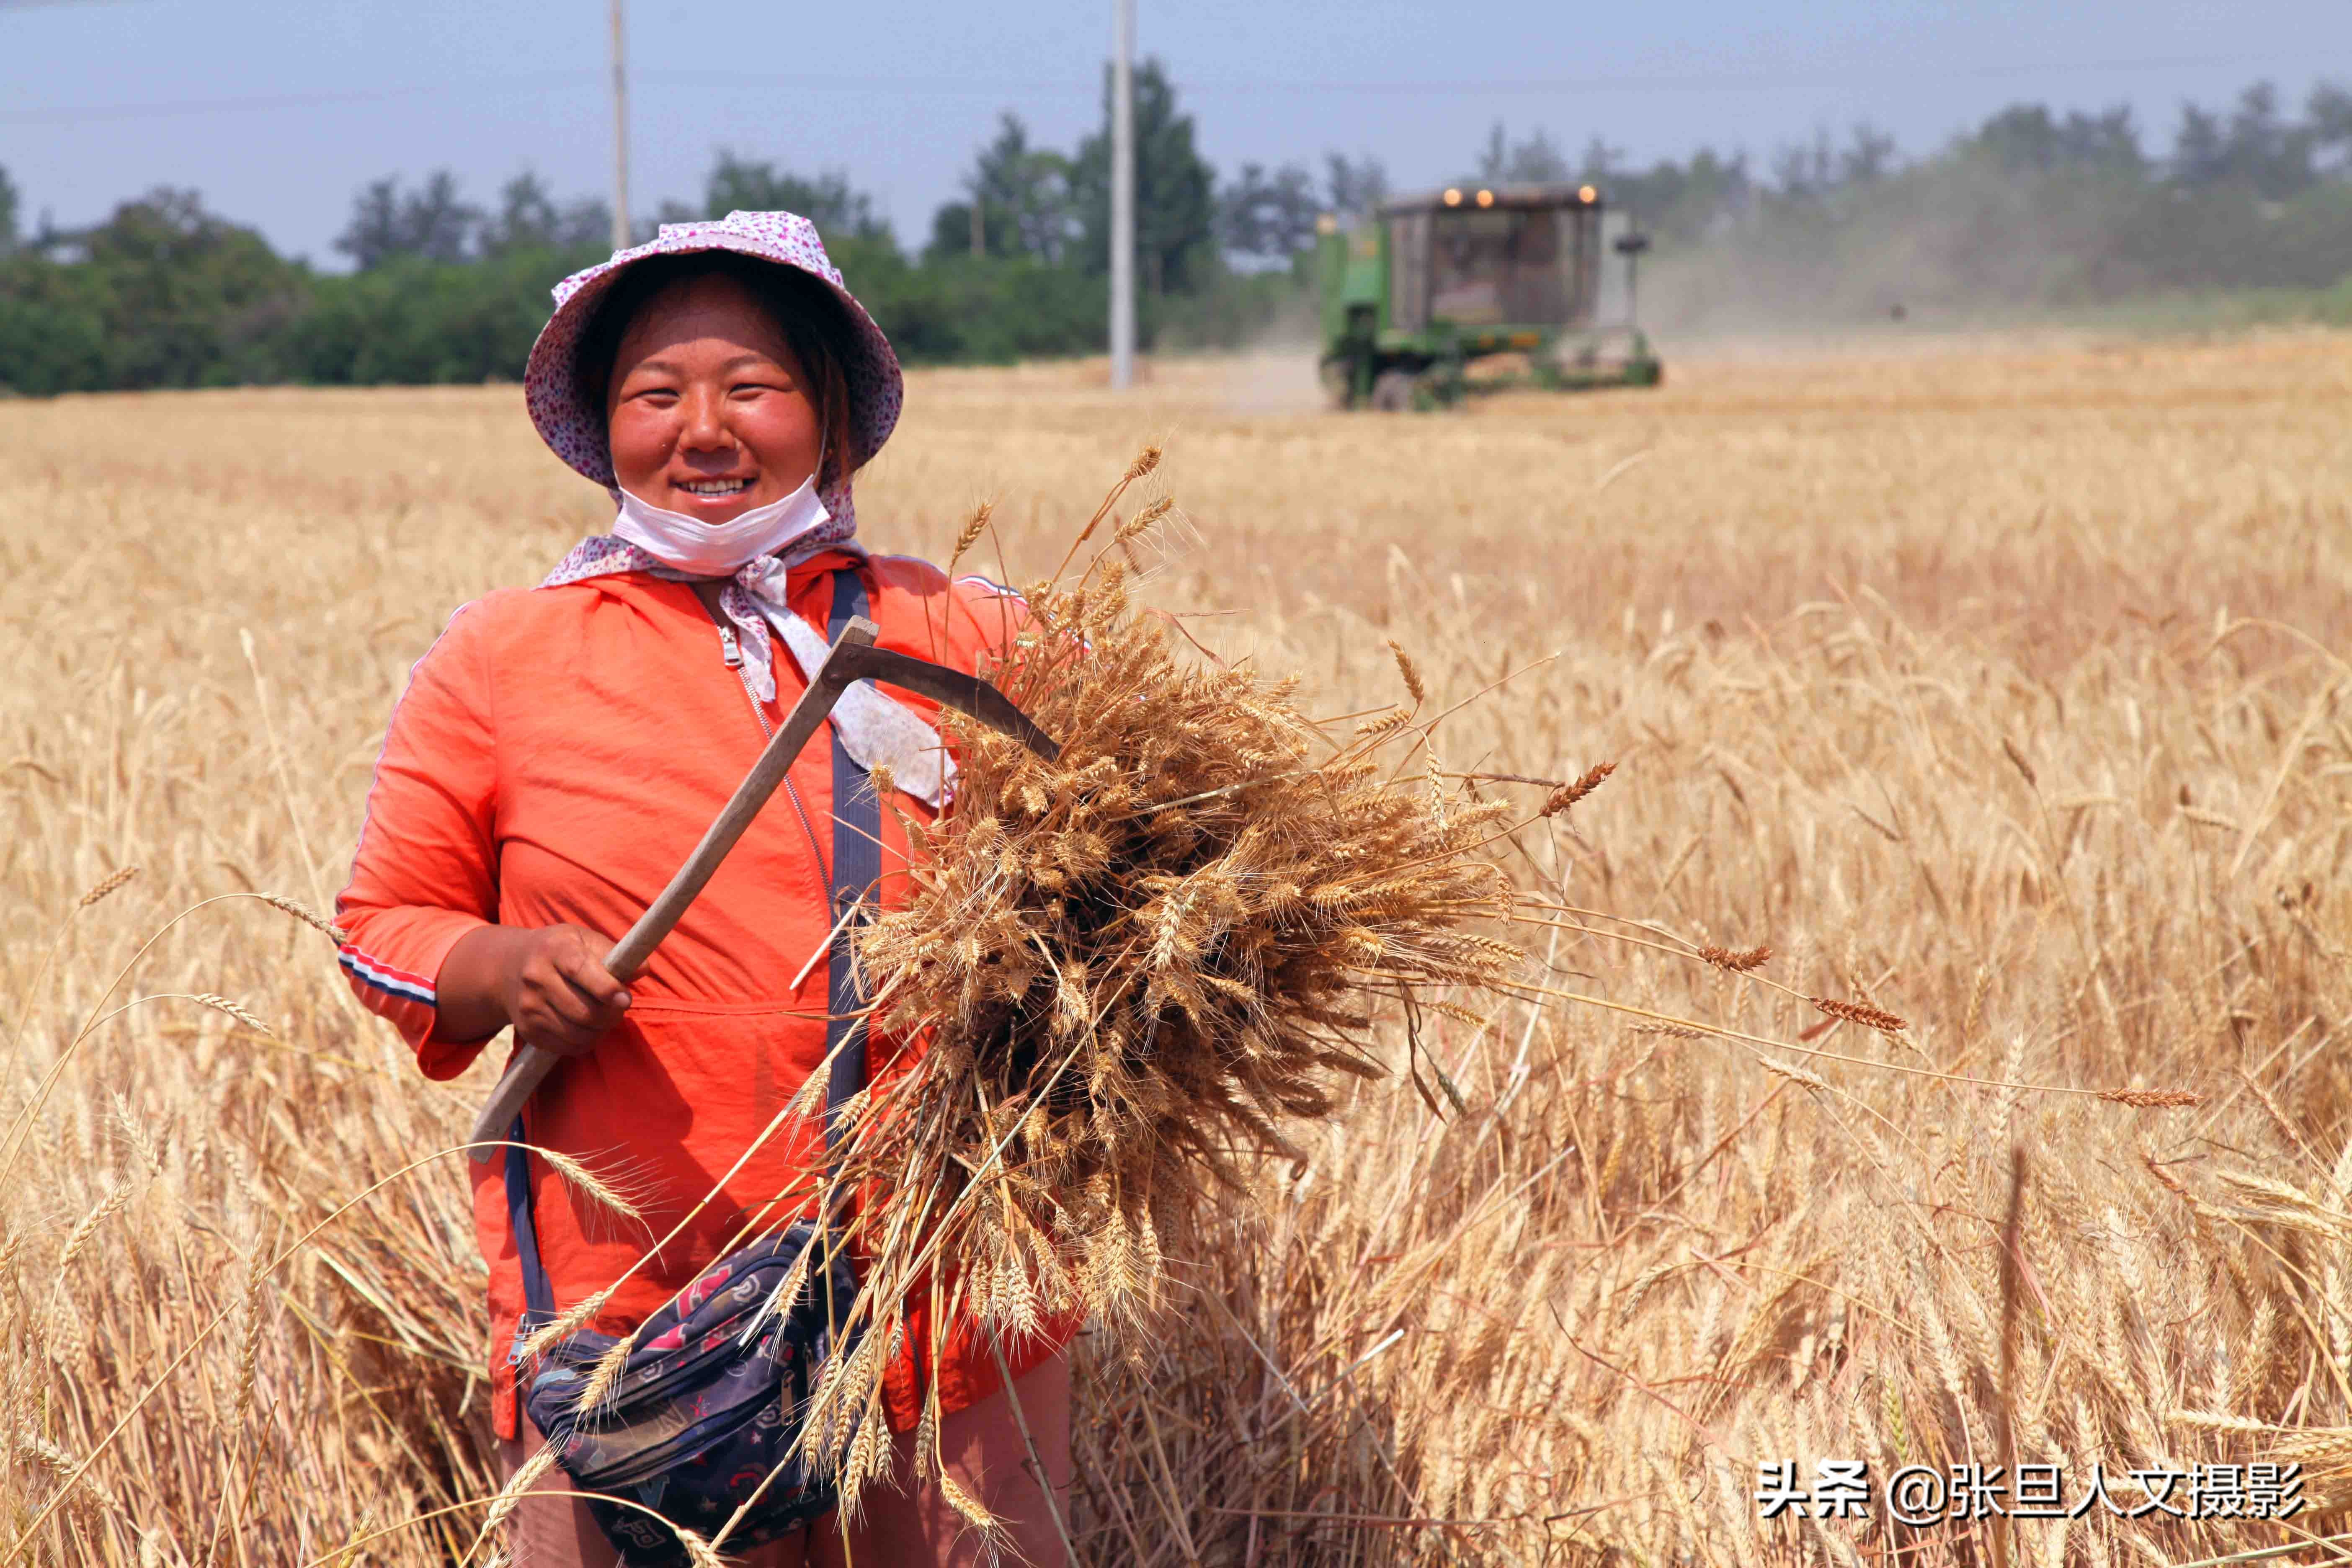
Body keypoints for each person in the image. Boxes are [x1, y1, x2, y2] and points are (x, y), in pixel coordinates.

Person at [334, 211, 1073, 1567]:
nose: (705, 429)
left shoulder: (971, 634)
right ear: (602, 429)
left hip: (944, 1283)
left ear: (833, 416)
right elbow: (382, 929)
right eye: (655, 396)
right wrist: (504, 971)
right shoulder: (505, 657)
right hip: (624, 1310)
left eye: (753, 389)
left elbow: (1139, 877)